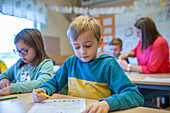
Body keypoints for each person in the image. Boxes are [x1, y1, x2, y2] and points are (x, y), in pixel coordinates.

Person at [32, 16, 144, 112]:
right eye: (76, 47)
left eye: (88, 45)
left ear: (99, 42)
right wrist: (45, 90)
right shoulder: (71, 62)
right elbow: (55, 83)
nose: (82, 52)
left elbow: (134, 95)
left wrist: (107, 104)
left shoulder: (108, 64)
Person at [0, 29, 53, 96]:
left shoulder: (46, 64)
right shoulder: (18, 64)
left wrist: (13, 88)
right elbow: (3, 75)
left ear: (36, 47)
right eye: (18, 51)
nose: (21, 55)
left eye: (24, 50)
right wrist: (3, 79)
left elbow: (43, 83)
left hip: (35, 103)